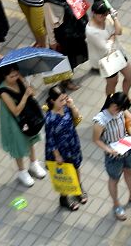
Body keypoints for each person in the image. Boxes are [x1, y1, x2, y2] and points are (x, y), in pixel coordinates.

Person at [92, 91, 131, 222]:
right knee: (114, 179)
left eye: (121, 110)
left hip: (127, 148)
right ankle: (116, 205)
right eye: (116, 108)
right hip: (113, 156)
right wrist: (109, 150)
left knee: (129, 172)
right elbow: (96, 140)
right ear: (111, 103)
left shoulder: (121, 111)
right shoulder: (100, 120)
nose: (118, 112)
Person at [0, 62, 47, 187]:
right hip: (14, 120)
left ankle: (34, 163)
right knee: (18, 144)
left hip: (27, 116)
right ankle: (22, 172)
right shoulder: (3, 91)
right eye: (11, 76)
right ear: (4, 76)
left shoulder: (19, 79)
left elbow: (32, 93)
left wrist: (29, 87)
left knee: (31, 138)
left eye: (16, 74)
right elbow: (15, 111)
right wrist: (25, 95)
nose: (15, 78)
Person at [86, 0, 131, 99]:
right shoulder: (91, 31)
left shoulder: (107, 18)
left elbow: (119, 31)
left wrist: (115, 18)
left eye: (105, 15)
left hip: (118, 53)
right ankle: (111, 103)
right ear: (93, 14)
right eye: (101, 15)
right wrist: (112, 38)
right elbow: (105, 49)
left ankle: (126, 97)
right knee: (113, 82)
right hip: (105, 60)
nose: (104, 17)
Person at [44, 84, 85, 212]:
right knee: (65, 175)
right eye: (60, 100)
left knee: (76, 167)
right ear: (52, 101)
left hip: (72, 144)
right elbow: (50, 139)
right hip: (60, 151)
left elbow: (77, 117)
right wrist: (57, 155)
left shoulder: (67, 108)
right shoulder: (50, 118)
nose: (64, 102)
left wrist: (72, 105)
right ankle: (64, 198)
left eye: (65, 98)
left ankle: (78, 189)